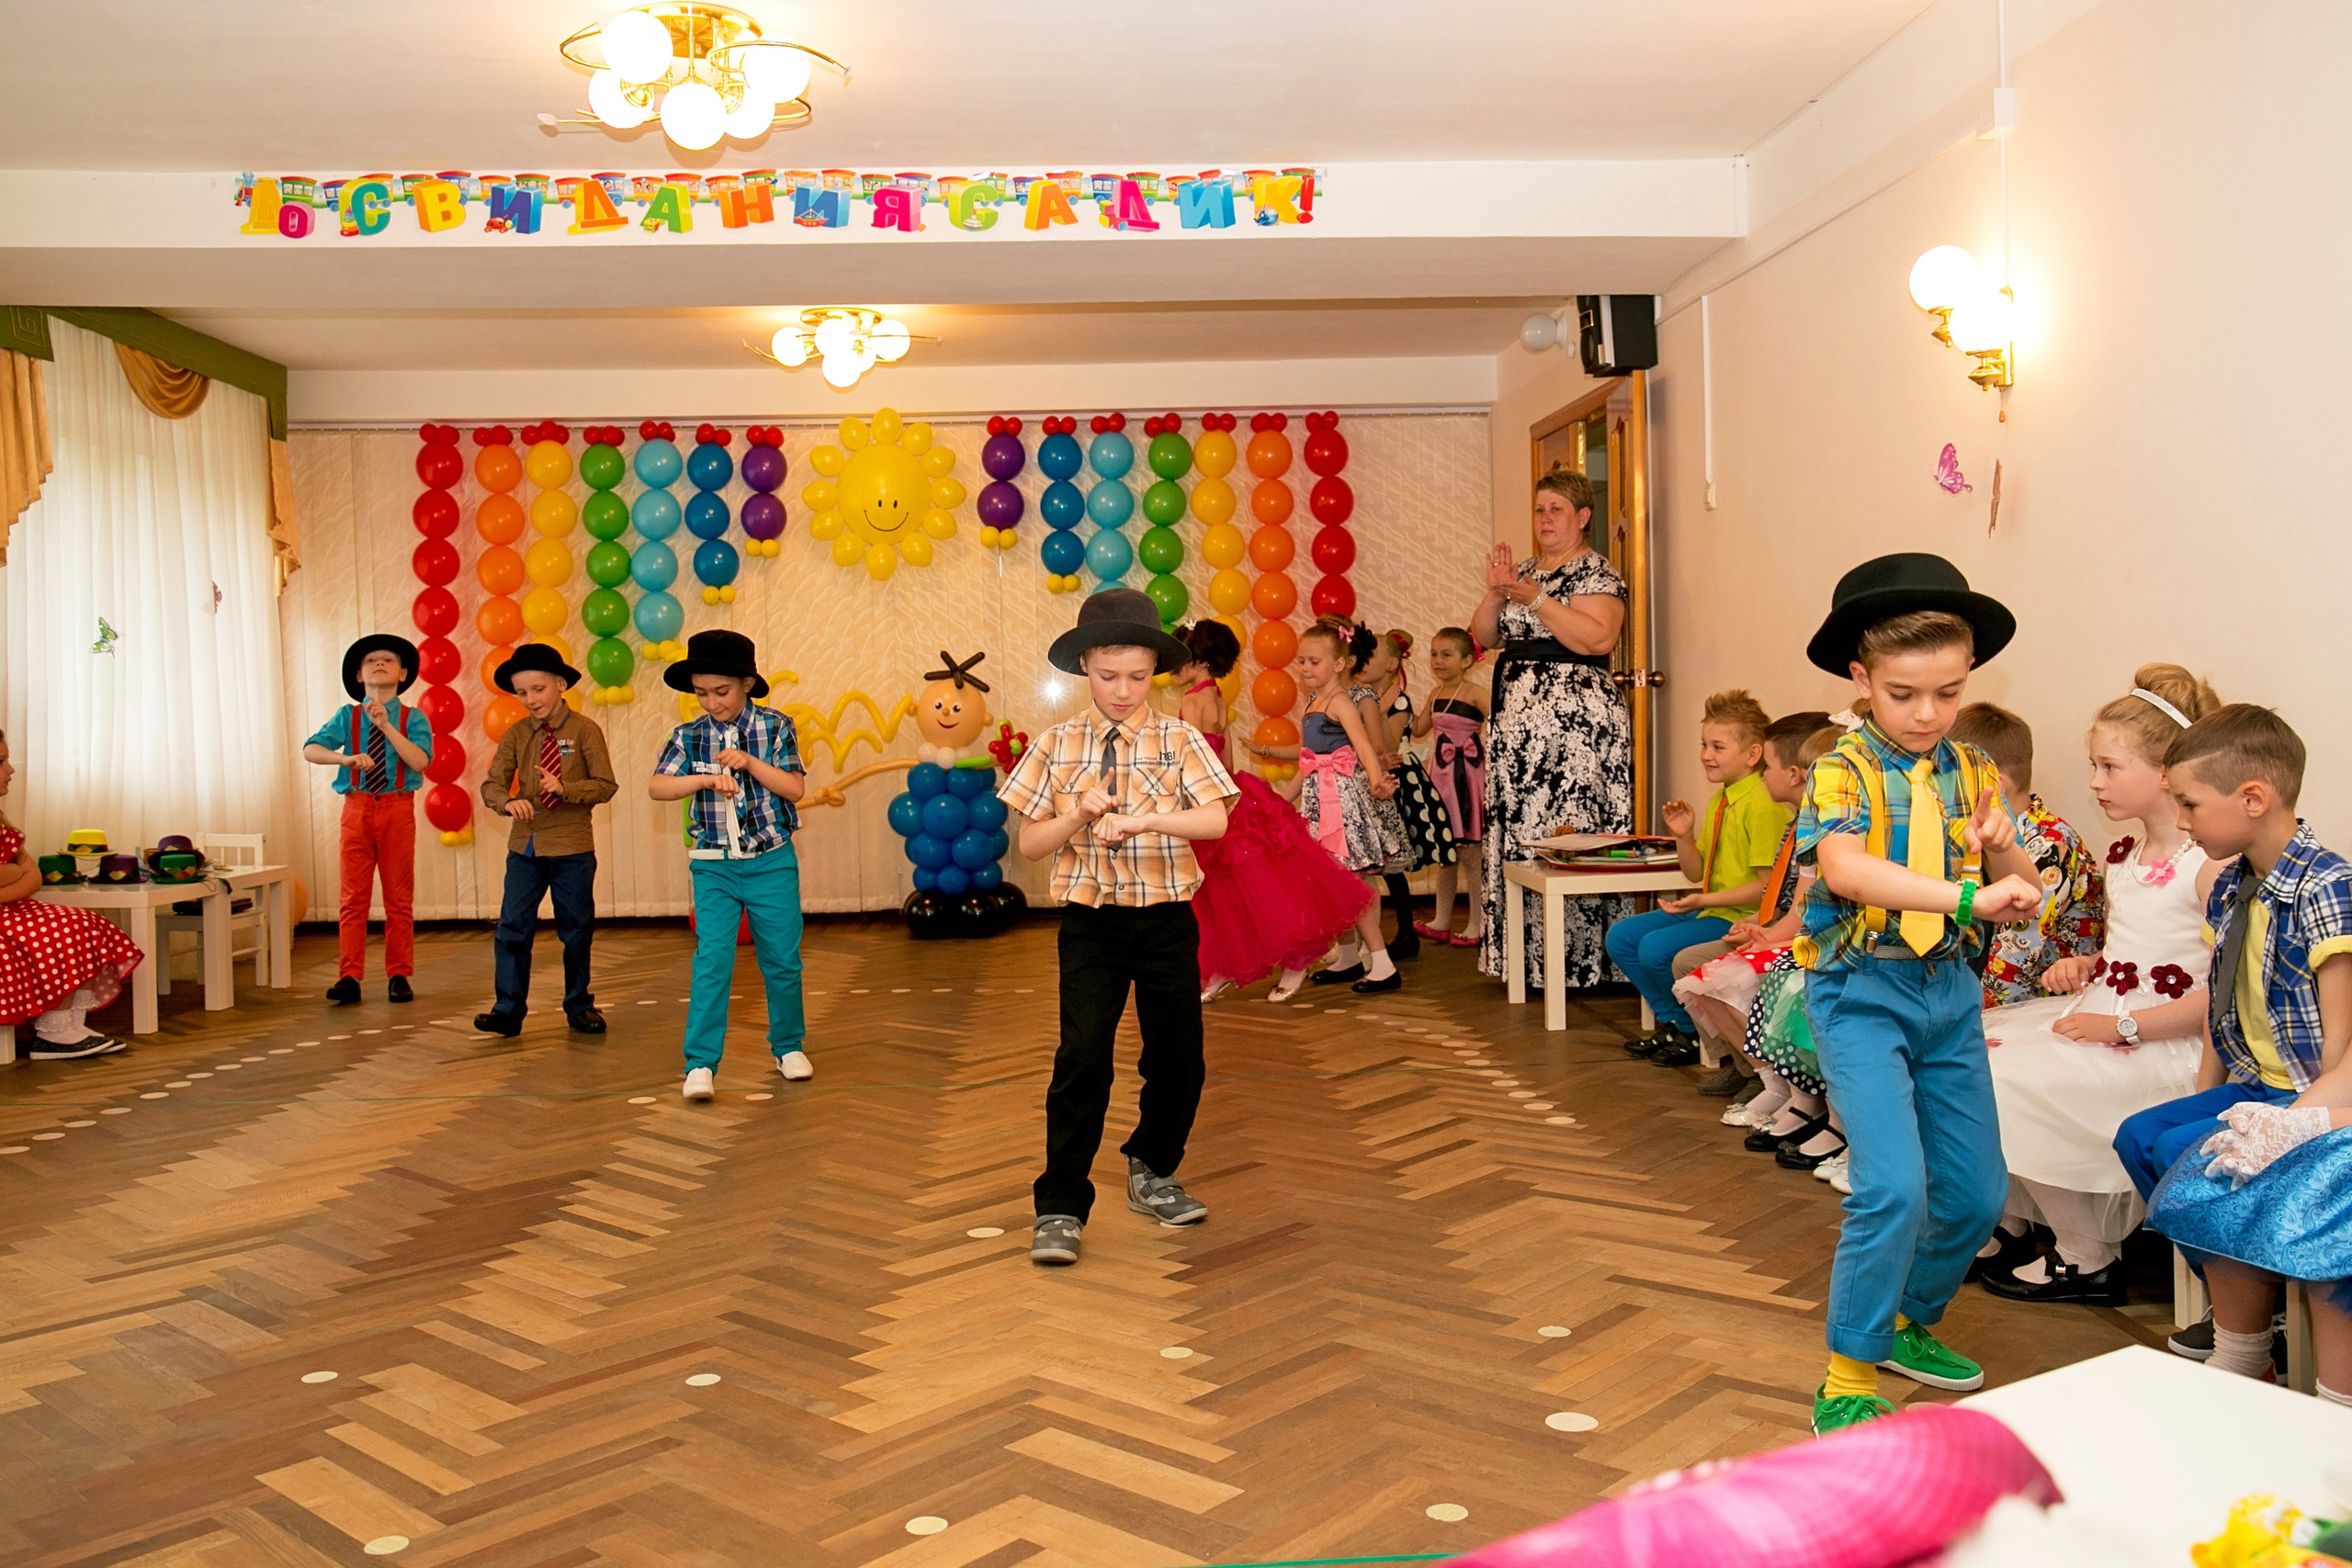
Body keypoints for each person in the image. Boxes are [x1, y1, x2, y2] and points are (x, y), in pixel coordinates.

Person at [1790, 554, 2046, 1435]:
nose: (1929, 713)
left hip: (1948, 995)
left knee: (1976, 1194)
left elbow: (2031, 888)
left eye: (1948, 690)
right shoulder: (1840, 768)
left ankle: (1908, 1322)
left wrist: (2005, 849)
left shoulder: (1971, 768)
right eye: (1905, 693)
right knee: (1892, 1187)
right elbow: (1850, 871)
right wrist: (1974, 894)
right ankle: (1849, 1370)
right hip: (1861, 992)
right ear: (1861, 679)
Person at [999, 589, 1238, 1267]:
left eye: (1137, 676)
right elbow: (1034, 844)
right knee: (1081, 1060)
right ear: (1084, 668)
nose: (1124, 690)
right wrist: (1077, 813)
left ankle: (1152, 1165)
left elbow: (1217, 819)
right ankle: (1060, 1205)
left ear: (1154, 671)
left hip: (1168, 922)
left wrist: (1145, 819)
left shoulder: (1179, 737)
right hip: (1091, 927)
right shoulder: (1057, 743)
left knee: (1178, 1059)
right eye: (1109, 677)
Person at [2123, 705, 2352, 1382]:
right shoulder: (2228, 884)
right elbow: (2221, 1003)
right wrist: (2207, 1097)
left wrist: (2297, 1120)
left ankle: (2268, 1333)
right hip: (2264, 1081)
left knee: (2208, 1162)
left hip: (2314, 1087)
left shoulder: (2327, 887)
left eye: (2190, 804)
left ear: (2254, 797)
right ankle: (2245, 1340)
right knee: (2154, 1138)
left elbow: (2341, 1049)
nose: (2184, 821)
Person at [1972, 670, 2216, 1306]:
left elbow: (2226, 990)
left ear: (2166, 771)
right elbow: (2138, 946)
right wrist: (2091, 963)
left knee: (2017, 1079)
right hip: (2107, 1008)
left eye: (2109, 766)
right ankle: (2010, 1221)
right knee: (1974, 1053)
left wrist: (2123, 1025)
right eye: (2093, 765)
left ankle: (2087, 1253)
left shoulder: (2207, 864)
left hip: (2169, 1038)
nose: (2094, 782)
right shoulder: (2127, 850)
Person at [1471, 468, 1633, 992]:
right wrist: (1499, 593)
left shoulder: (1595, 572)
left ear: (1583, 516)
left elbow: (1597, 637)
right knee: (1522, 831)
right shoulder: (1524, 570)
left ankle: (1581, 964)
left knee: (1569, 827)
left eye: (1556, 509)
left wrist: (1536, 598)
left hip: (1576, 731)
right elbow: (1483, 636)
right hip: (1519, 729)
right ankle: (1527, 960)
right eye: (1539, 510)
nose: (1545, 519)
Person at [1172, 621, 1372, 1005]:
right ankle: (1221, 968)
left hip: (1208, 800)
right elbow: (1225, 759)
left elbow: (1192, 760)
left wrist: (1186, 798)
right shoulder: (1216, 699)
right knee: (1228, 890)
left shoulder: (1192, 702)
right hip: (1227, 794)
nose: (1174, 669)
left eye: (1181, 660)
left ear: (1198, 660)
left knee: (1245, 891)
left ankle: (1291, 958)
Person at [650, 630, 808, 1102]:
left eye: (721, 691)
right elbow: (658, 787)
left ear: (746, 684)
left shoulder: (777, 727)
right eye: (701, 693)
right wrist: (704, 779)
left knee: (781, 960)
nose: (712, 703)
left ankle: (788, 1046)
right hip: (713, 866)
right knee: (712, 961)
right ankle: (700, 1063)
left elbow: (795, 789)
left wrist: (750, 763)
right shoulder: (688, 736)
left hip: (771, 861)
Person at [1614, 690, 1791, 1067]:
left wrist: (1701, 901)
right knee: (1623, 937)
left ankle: (1693, 1033)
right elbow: (1695, 873)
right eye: (1704, 745)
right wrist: (1683, 835)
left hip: (1737, 916)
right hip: (1711, 909)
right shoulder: (1722, 799)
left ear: (1752, 754)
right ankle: (1680, 1024)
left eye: (1717, 746)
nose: (1706, 755)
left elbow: (1766, 888)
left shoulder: (1762, 804)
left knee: (1657, 950)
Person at [1671, 709, 1832, 1098]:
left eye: (1768, 767)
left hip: (1800, 936)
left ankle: (1779, 1083)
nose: (1762, 777)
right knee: (1689, 967)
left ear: (1794, 774)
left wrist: (1767, 930)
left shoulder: (1784, 817)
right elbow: (1782, 896)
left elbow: (1795, 899)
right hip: (1772, 923)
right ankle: (1755, 1073)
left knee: (1702, 968)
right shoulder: (1790, 820)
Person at [472, 643, 618, 1039]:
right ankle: (507, 1010)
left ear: (559, 684)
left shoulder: (586, 730)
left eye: (538, 689)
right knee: (512, 928)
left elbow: (606, 785)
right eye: (521, 693)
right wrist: (507, 802)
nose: (530, 699)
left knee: (576, 929)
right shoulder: (516, 734)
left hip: (572, 847)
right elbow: (491, 784)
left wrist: (565, 788)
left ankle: (579, 1005)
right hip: (526, 849)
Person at [1272, 620, 1406, 993]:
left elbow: (1363, 744)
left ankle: (1382, 965)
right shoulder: (1314, 702)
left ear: (1339, 664)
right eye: (1301, 661)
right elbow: (1309, 761)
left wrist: (1378, 780)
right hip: (1319, 802)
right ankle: (1347, 956)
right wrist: (1283, 800)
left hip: (1340, 804)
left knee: (1348, 882)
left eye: (1314, 662)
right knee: (1329, 883)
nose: (1305, 668)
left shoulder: (1342, 701)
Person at [302, 635, 434, 1005]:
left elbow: (420, 761)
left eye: (387, 660)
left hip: (396, 809)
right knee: (353, 898)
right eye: (371, 660)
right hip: (357, 810)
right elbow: (310, 748)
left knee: (398, 897)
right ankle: (349, 975)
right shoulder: (348, 716)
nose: (379, 664)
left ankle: (398, 974)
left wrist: (387, 726)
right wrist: (344, 759)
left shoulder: (413, 718)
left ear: (402, 673)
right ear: (359, 675)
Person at [1948, 703, 2106, 1008]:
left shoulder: (2050, 845)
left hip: (2044, 1006)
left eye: (1950, 779)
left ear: (1992, 785)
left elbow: (2013, 962)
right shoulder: (1972, 834)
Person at [0, 729, 142, 1058]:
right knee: (55, 931)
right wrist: (13, 872)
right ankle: (54, 1032)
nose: (12, 770)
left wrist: (14, 876)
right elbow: (16, 870)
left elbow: (32, 876)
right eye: (3, 762)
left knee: (82, 922)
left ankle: (67, 1024)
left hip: (13, 907)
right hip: (9, 913)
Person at [1412, 626, 1487, 946]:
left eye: (1447, 655)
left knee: (1470, 853)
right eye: (1434, 654)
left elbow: (1504, 722)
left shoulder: (1475, 693)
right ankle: (1441, 920)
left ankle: (1478, 923)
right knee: (1445, 851)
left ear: (1467, 660)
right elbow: (1417, 729)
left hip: (1467, 777)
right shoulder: (1435, 693)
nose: (1438, 661)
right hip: (1441, 778)